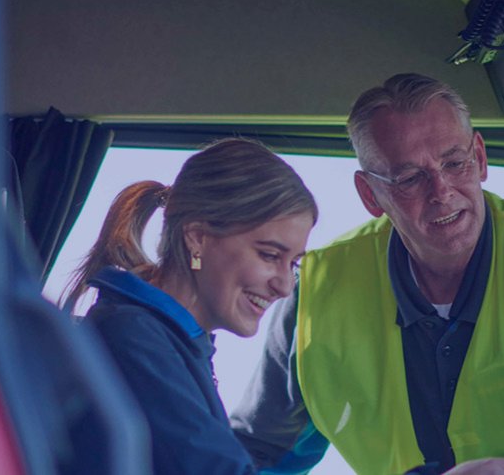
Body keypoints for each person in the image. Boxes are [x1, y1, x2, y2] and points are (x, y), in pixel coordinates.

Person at [231, 74, 504, 475]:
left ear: (480, 158)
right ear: (370, 195)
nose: (441, 192)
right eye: (409, 178)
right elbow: (258, 453)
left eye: (454, 163)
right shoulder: (314, 294)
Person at [65, 138, 319, 474]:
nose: (285, 286)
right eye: (270, 256)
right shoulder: (133, 337)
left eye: (293, 264)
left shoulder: (170, 341)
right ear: (197, 237)